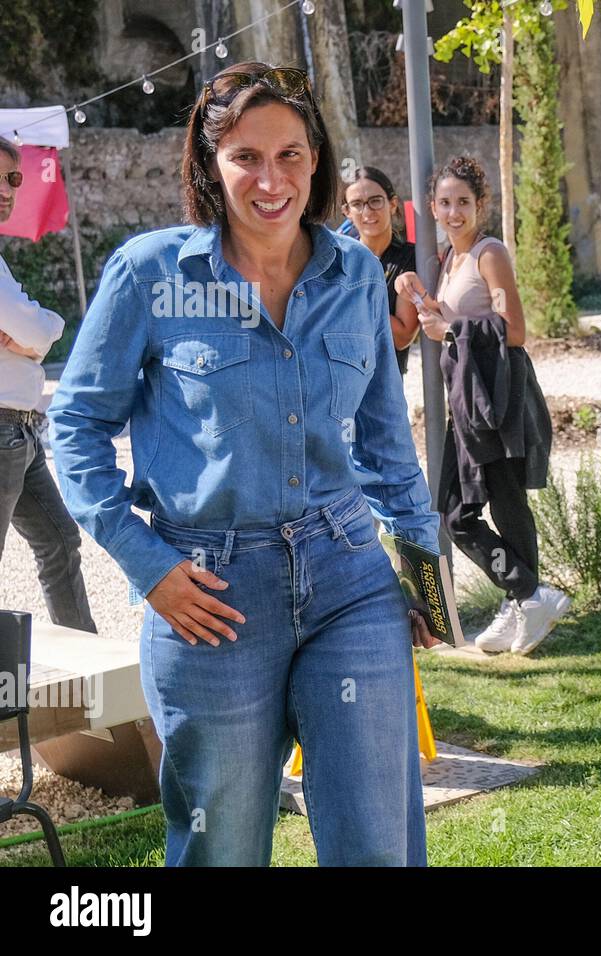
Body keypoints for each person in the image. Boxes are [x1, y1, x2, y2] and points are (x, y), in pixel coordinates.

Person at [48, 63, 440, 867]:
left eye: (291, 154)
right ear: (209, 162)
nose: (272, 179)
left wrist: (421, 559)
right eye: (246, 157)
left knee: (377, 842)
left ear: (318, 160)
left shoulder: (354, 274)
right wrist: (148, 564)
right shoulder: (151, 274)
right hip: (209, 595)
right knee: (221, 847)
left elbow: (382, 435)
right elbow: (77, 426)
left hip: (347, 578)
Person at [396, 156, 567, 657]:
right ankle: (527, 594)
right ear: (431, 207)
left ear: (481, 205)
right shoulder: (447, 259)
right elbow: (447, 315)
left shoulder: (489, 252)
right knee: (454, 509)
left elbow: (514, 330)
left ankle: (525, 598)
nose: (453, 212)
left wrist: (449, 329)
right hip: (468, 402)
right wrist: (414, 290)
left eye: (463, 203)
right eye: (445, 203)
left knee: (507, 506)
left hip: (500, 398)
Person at [0, 135, 97, 635]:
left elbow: (31, 333)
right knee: (58, 545)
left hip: (21, 430)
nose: (6, 189)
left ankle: (87, 672)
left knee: (60, 542)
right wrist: (38, 332)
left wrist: (31, 336)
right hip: (4, 430)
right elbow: (39, 329)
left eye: (12, 178)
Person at [341, 166, 420, 375]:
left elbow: (402, 337)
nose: (367, 212)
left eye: (375, 201)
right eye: (357, 204)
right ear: (347, 212)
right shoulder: (338, 259)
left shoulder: (410, 258)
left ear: (393, 204)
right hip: (341, 377)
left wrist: (354, 297)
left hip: (385, 382)